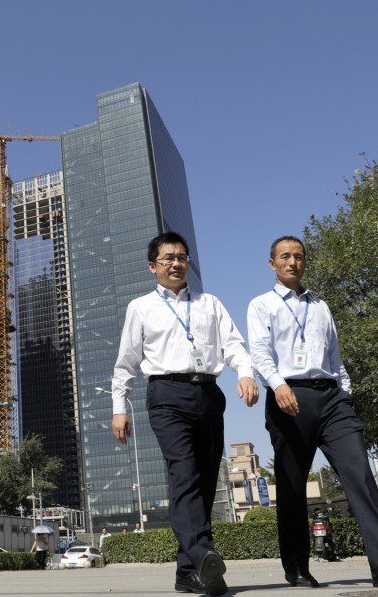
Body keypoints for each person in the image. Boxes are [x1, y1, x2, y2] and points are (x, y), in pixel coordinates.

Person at [246, 236, 378, 589]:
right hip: (289, 397)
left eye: (298, 256)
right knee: (291, 484)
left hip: (332, 400)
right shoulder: (261, 305)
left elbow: (335, 358)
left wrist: (344, 394)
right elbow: (259, 352)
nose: (292, 262)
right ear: (272, 263)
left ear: (305, 262)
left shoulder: (321, 306)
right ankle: (298, 568)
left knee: (360, 474)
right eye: (285, 256)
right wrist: (278, 385)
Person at [112, 231, 259, 596]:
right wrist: (119, 408)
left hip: (209, 392)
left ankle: (186, 572)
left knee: (206, 481)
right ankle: (204, 553)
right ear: (153, 267)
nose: (176, 263)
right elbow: (126, 363)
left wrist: (244, 373)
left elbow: (234, 344)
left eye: (182, 257)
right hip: (166, 394)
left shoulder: (210, 303)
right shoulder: (141, 307)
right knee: (185, 475)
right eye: (168, 258)